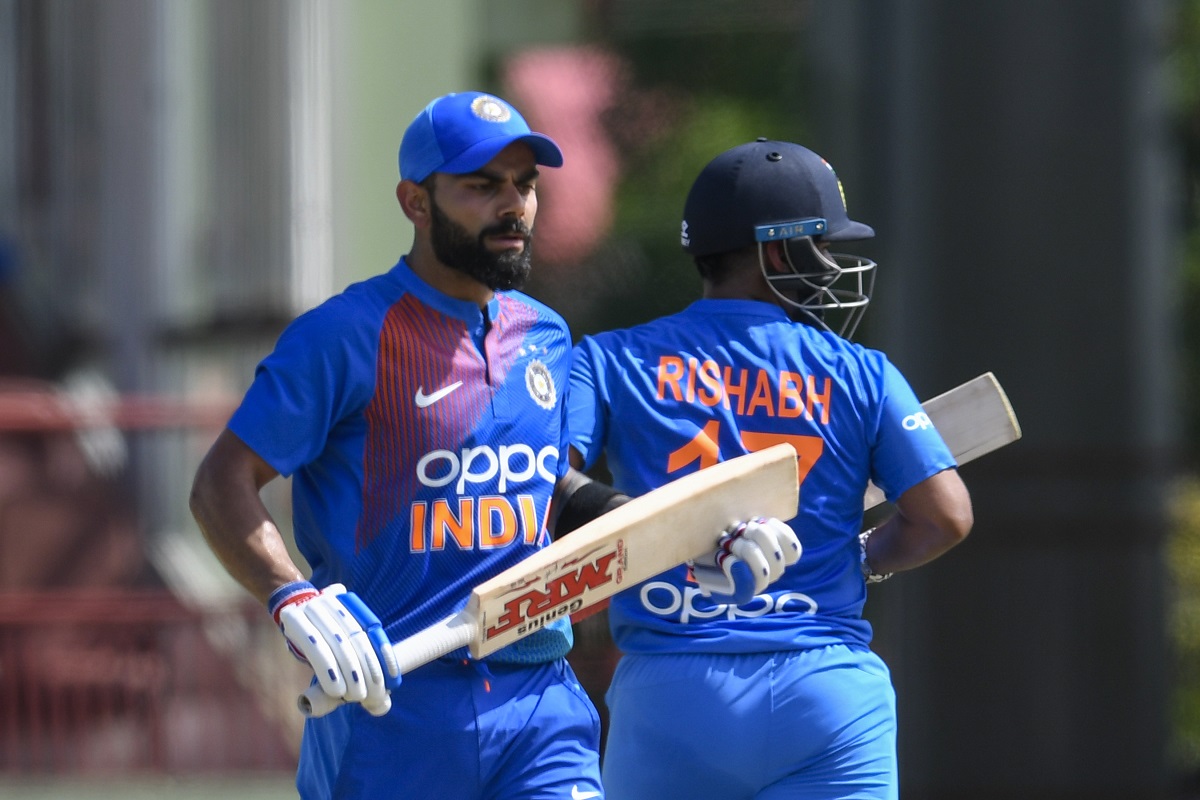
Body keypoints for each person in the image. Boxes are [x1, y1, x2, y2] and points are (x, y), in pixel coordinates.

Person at [189, 93, 794, 800]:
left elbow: (549, 489)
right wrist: (289, 595)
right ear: (416, 203)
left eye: (524, 185)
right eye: (482, 186)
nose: (513, 205)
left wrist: (690, 531)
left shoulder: (545, 333)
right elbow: (220, 483)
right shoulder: (344, 335)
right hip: (391, 708)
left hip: (540, 703)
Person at [566, 138, 974, 800]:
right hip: (826, 692)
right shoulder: (861, 372)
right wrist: (861, 556)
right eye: (823, 245)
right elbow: (945, 518)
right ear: (778, 253)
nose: (832, 265)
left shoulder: (609, 358)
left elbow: (546, 479)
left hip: (672, 689)